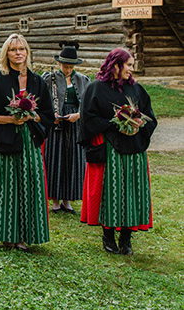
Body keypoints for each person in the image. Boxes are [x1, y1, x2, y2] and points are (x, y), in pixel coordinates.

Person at [0, 33, 54, 251]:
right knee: (5, 187)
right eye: (13, 49)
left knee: (28, 187)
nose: (17, 53)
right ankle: (5, 234)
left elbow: (48, 114)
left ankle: (24, 236)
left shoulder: (37, 81)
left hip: (29, 142)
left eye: (21, 49)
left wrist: (32, 117)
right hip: (3, 141)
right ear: (6, 54)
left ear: (27, 52)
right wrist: (11, 119)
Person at [79, 48, 156, 256]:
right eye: (129, 65)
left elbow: (150, 116)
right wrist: (115, 124)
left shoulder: (136, 89)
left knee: (131, 192)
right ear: (115, 65)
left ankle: (126, 238)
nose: (131, 69)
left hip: (134, 151)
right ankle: (108, 235)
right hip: (110, 150)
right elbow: (88, 118)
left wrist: (138, 124)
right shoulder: (96, 88)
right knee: (110, 192)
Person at [42, 42, 90, 214]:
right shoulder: (49, 78)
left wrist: (78, 115)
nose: (68, 70)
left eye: (70, 67)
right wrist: (51, 116)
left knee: (72, 159)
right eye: (65, 66)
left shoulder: (83, 80)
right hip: (56, 124)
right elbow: (41, 100)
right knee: (55, 158)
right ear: (59, 64)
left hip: (74, 123)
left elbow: (88, 105)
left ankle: (67, 199)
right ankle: (54, 199)